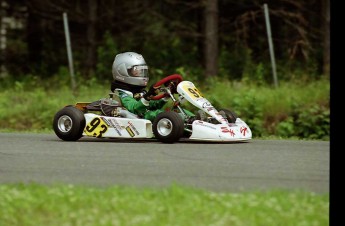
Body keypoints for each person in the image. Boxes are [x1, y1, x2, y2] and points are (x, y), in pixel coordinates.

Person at [110, 51, 168, 122]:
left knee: (175, 113)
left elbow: (151, 105)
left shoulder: (136, 91)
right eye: (136, 70)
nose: (141, 73)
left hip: (144, 115)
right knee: (162, 115)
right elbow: (135, 108)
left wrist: (166, 96)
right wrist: (147, 97)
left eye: (142, 70)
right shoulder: (122, 93)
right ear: (122, 71)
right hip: (135, 119)